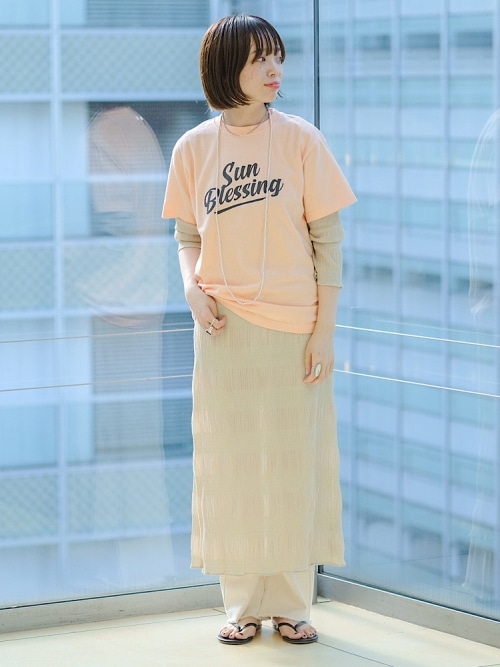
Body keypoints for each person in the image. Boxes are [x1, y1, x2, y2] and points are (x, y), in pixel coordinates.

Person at [162, 14, 356, 645]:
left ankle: (294, 606)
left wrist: (324, 332)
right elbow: (186, 235)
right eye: (258, 60)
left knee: (294, 465)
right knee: (234, 467)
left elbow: (328, 244)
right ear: (227, 69)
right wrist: (190, 288)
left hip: (295, 328)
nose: (275, 70)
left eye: (277, 57)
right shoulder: (193, 148)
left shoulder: (301, 140)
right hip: (223, 330)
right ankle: (242, 605)